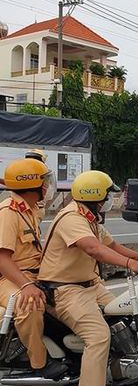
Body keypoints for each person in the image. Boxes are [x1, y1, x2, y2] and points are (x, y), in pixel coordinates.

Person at [38, 170, 138, 386]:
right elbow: (94, 249)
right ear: (94, 196)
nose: (109, 201)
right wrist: (132, 265)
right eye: (106, 196)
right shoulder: (71, 218)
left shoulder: (90, 219)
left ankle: (121, 369)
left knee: (125, 317)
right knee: (98, 336)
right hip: (66, 291)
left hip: (91, 286)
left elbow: (113, 246)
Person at [0, 159, 68, 379]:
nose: (47, 186)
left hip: (33, 273)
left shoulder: (29, 210)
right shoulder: (8, 213)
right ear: (32, 184)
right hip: (9, 277)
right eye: (44, 181)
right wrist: (27, 285)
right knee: (29, 303)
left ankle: (68, 349)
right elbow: (2, 258)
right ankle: (39, 363)